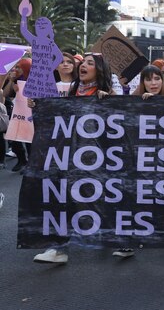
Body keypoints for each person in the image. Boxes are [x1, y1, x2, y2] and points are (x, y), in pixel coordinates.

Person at [33, 53, 116, 264]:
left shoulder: (106, 94)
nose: (84, 66)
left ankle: (120, 237)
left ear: (100, 70)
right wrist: (39, 106)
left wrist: (110, 103)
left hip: (96, 158)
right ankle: (59, 248)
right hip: (70, 155)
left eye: (91, 63)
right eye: (83, 62)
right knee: (65, 198)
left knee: (100, 199)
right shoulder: (72, 92)